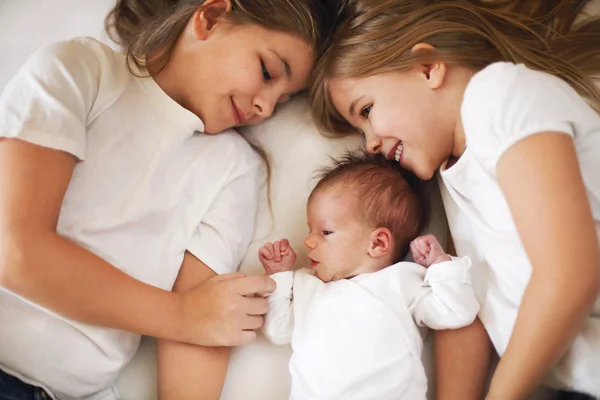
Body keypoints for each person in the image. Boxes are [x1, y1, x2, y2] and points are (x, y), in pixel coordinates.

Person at [0, 0, 340, 399]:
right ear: (210, 18)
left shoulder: (234, 170)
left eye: (284, 101)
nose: (265, 107)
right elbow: (16, 253)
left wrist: (192, 319)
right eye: (267, 72)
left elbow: (205, 325)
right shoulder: (82, 70)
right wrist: (181, 316)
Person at [310, 0, 600, 399]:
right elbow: (470, 311)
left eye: (367, 109)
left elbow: (569, 275)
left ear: (428, 67)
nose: (371, 143)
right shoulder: (452, 176)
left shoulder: (499, 95)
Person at [258, 151, 479, 400]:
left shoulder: (403, 280)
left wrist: (441, 266)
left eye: (326, 232)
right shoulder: (306, 286)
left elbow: (457, 312)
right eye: (311, 230)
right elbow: (277, 330)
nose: (308, 241)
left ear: (378, 243)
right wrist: (279, 278)